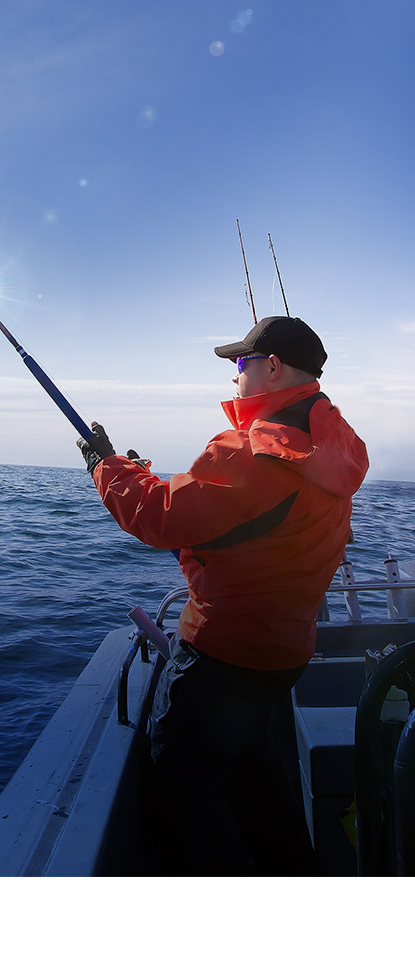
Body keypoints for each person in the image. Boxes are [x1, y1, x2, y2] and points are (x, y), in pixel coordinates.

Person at [77, 315, 369, 875]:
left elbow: (158, 516)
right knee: (257, 774)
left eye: (240, 363)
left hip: (222, 658)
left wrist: (105, 467)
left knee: (184, 788)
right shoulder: (331, 448)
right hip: (282, 656)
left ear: (273, 368)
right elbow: (246, 521)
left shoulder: (256, 448)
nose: (234, 376)